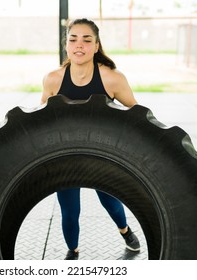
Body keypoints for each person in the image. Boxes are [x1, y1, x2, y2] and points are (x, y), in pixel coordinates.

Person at [41, 18, 140, 260]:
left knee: (112, 203)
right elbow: (41, 122)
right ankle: (73, 252)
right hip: (66, 157)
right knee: (70, 211)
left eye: (87, 40)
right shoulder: (53, 79)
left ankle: (125, 231)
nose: (79, 45)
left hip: (101, 155)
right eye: (73, 39)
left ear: (96, 46)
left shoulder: (112, 78)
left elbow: (139, 116)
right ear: (66, 45)